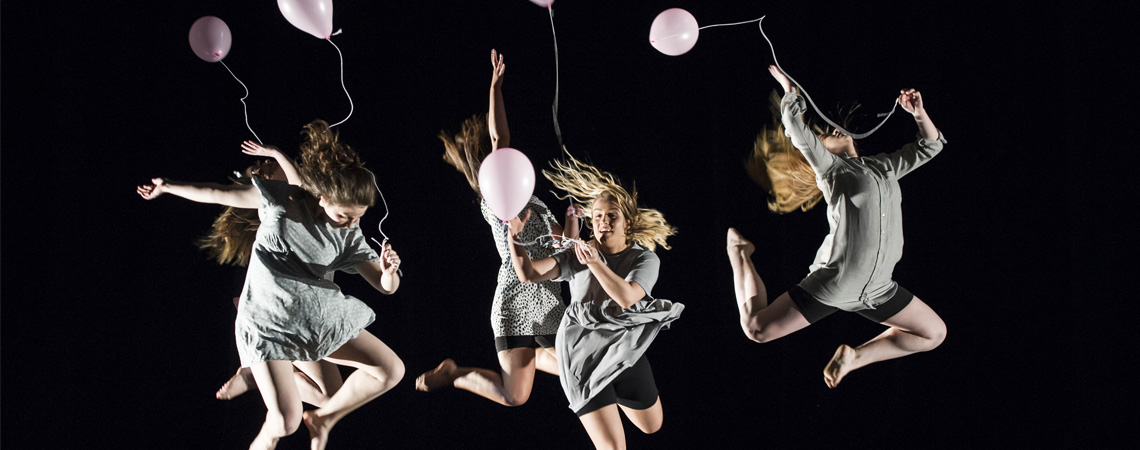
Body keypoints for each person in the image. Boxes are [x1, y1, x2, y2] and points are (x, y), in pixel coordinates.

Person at [138, 120, 404, 450]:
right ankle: (261, 392)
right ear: (322, 198)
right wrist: (168, 186)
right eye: (344, 216)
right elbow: (218, 193)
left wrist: (389, 271)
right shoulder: (283, 202)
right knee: (285, 422)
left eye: (359, 217)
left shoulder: (349, 236)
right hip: (267, 322)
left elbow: (384, 285)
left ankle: (323, 419)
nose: (352, 224)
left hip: (311, 319)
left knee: (386, 372)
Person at [728, 65, 947, 389]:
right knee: (757, 329)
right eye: (826, 133)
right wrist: (791, 92)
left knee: (933, 333)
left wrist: (918, 112)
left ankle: (855, 357)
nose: (834, 130)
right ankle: (739, 254)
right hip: (838, 281)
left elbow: (931, 145)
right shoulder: (831, 170)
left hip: (878, 289)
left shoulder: (884, 166)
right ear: (822, 149)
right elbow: (797, 130)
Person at [416, 50, 580, 407]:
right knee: (515, 396)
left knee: (577, 366)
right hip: (516, 301)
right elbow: (498, 138)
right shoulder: (497, 204)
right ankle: (455, 374)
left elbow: (565, 249)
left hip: (550, 299)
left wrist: (572, 223)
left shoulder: (535, 201)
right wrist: (496, 88)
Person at [508, 154, 682, 449]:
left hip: (624, 348)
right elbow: (527, 273)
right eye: (597, 216)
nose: (603, 222)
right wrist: (514, 237)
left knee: (653, 426)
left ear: (627, 222)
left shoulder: (644, 258)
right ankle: (547, 363)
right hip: (582, 359)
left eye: (611, 215)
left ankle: (540, 359)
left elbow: (627, 297)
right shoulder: (578, 254)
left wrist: (597, 264)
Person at [204, 141, 345, 409]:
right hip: (287, 313)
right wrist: (275, 153)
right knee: (330, 398)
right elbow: (214, 192)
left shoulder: (307, 202)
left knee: (333, 397)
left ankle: (258, 372)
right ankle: (258, 370)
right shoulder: (273, 200)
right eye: (279, 166)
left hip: (310, 310)